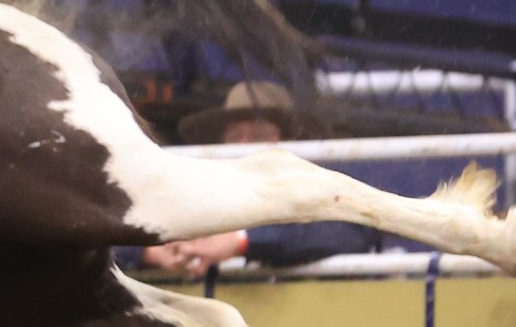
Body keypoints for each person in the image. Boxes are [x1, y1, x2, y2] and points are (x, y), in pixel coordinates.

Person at [138, 81, 378, 276]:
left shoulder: (317, 187)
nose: (244, 146)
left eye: (259, 134)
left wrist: (241, 241)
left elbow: (349, 235)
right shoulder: (201, 191)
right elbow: (124, 227)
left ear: (290, 142)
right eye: (235, 135)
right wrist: (148, 251)